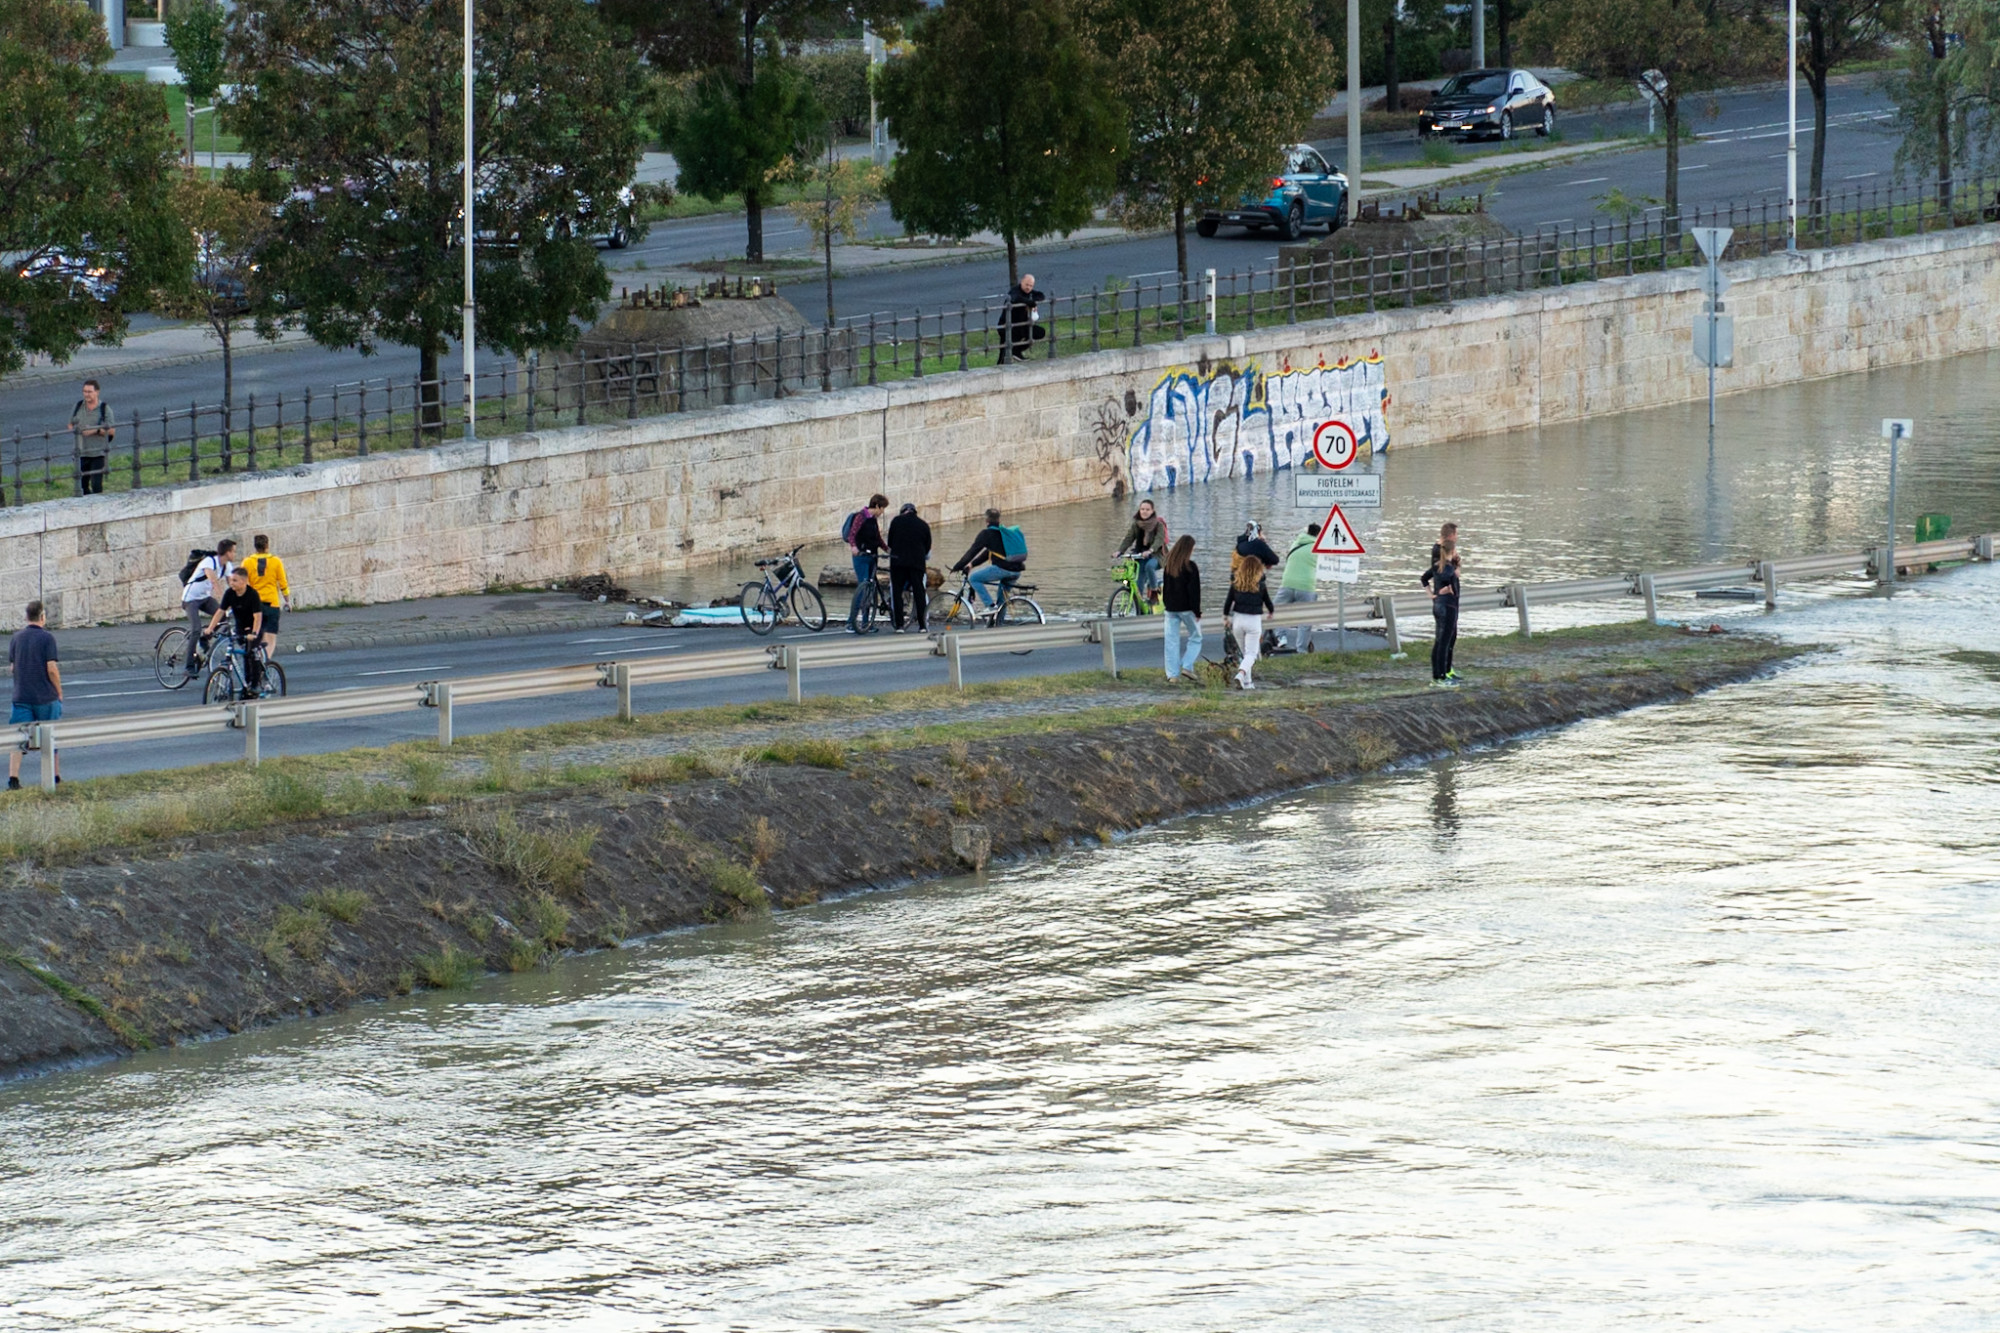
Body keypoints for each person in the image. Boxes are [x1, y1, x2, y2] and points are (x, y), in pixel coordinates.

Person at [8, 601, 61, 790]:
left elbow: (13, 667)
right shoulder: (47, 639)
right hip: (45, 697)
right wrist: (59, 692)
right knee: (51, 738)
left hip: (22, 697)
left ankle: (13, 779)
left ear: (26, 617)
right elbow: (52, 669)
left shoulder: (16, 638)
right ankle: (54, 777)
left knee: (19, 739)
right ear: (42, 617)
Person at [181, 538, 236, 680]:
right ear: (227, 552)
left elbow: (233, 585)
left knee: (222, 617)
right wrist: (225, 602)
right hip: (191, 598)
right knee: (196, 629)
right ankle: (189, 666)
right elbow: (214, 581)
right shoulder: (209, 562)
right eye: (233, 551)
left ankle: (205, 638)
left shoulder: (227, 566)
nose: (235, 554)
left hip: (204, 598)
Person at [951, 508, 1028, 610]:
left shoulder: (986, 534)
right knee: (1002, 603)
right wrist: (972, 565)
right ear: (999, 520)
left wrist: (957, 566)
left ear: (986, 520)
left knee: (974, 578)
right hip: (1016, 571)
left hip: (1002, 569)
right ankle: (997, 623)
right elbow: (988, 554)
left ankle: (990, 606)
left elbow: (972, 552)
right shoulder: (1004, 533)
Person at [206, 566, 266, 694]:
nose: (231, 583)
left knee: (251, 653)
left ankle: (254, 685)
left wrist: (254, 633)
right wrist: (210, 628)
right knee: (244, 655)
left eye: (235, 580)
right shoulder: (230, 594)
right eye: (231, 580)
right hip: (240, 627)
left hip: (254, 627)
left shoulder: (252, 595)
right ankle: (245, 685)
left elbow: (258, 617)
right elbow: (220, 611)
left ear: (244, 582)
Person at [1222, 549, 1274, 690]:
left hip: (1238, 620)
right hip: (1253, 621)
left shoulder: (1236, 583)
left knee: (1244, 653)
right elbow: (1268, 602)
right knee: (1251, 654)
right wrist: (1271, 612)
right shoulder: (1260, 585)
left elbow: (1228, 602)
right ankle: (1241, 674)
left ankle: (1247, 683)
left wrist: (1225, 617)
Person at [1159, 535, 1203, 683]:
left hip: (1170, 608)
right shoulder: (1191, 567)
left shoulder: (1169, 565)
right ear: (1188, 549)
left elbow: (1165, 589)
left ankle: (1172, 675)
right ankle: (1187, 665)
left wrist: (1166, 604)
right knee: (1196, 637)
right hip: (1186, 608)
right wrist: (1197, 611)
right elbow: (1194, 591)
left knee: (1171, 641)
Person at [843, 493, 888, 633]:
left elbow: (878, 539)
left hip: (873, 556)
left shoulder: (873, 520)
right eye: (882, 508)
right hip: (861, 557)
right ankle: (851, 622)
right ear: (876, 506)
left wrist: (888, 550)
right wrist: (854, 547)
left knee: (870, 590)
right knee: (862, 589)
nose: (883, 512)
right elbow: (852, 535)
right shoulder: (860, 517)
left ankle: (866, 622)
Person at [885, 502, 933, 633]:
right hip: (917, 563)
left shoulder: (896, 521)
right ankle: (922, 625)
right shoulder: (924, 525)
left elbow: (890, 543)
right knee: (919, 593)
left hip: (898, 562)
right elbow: (927, 547)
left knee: (897, 592)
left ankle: (899, 625)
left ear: (903, 512)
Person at [1275, 521, 1322, 653]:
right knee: (1305, 619)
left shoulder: (1295, 543)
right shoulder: (1318, 548)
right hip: (1306, 586)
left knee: (1278, 611)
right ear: (1319, 535)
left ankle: (1281, 637)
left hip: (1287, 583)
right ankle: (1301, 649)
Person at [243, 534, 291, 656]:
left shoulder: (247, 562)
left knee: (257, 636)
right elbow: (283, 583)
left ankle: (257, 660)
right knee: (270, 639)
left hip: (254, 604)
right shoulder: (276, 561)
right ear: (267, 545)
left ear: (255, 546)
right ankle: (265, 663)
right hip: (271, 603)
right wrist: (287, 601)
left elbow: (243, 582)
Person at [1117, 499, 1169, 602]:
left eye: (1147, 509)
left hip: (1157, 555)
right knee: (1138, 581)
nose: (1144, 511)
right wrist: (1120, 551)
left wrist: (1151, 550)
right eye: (1142, 509)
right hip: (1140, 555)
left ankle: (1154, 591)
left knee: (1149, 566)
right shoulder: (1136, 524)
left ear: (1152, 511)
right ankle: (1138, 606)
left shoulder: (1158, 524)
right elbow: (1129, 538)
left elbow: (1159, 539)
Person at [69, 378, 115, 495]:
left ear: (97, 392)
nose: (87, 394)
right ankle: (88, 507)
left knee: (96, 484)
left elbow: (111, 431)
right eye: (85, 391)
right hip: (81, 452)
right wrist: (75, 428)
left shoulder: (104, 409)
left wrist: (95, 430)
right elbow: (70, 424)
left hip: (98, 452)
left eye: (89, 392)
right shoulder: (78, 406)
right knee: (82, 485)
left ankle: (98, 505)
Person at [1427, 539, 1462, 687]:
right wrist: (1446, 589)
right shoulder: (1448, 569)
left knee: (1440, 641)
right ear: (1451, 552)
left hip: (1440, 605)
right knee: (1444, 642)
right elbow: (1452, 583)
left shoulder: (1438, 566)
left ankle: (1440, 674)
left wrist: (1433, 594)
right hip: (1448, 607)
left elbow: (1425, 578)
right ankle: (1440, 676)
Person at [997, 273, 1046, 363]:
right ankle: (1002, 364)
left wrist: (1033, 302)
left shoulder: (1030, 292)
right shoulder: (1015, 291)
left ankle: (1016, 351)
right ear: (1021, 282)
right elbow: (1015, 298)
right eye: (1026, 285)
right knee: (1004, 351)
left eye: (1031, 286)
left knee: (1039, 332)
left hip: (1022, 325)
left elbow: (1041, 295)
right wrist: (1029, 303)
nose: (1028, 287)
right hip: (1008, 326)